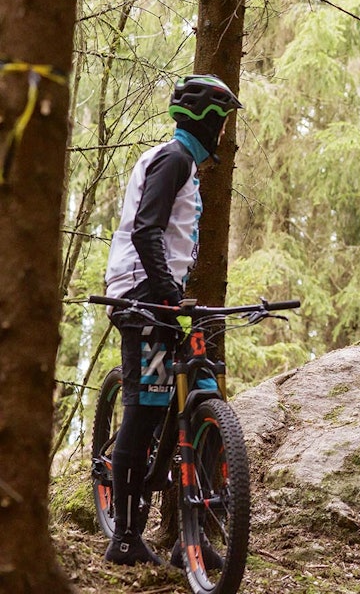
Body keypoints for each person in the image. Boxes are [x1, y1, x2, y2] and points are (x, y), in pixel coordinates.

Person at [101, 74, 241, 566]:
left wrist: (179, 296)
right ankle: (123, 535)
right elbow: (146, 231)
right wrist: (166, 295)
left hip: (161, 297)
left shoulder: (186, 165)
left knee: (201, 386)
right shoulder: (174, 160)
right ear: (207, 120)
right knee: (146, 410)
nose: (225, 132)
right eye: (223, 121)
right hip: (142, 299)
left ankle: (193, 541)